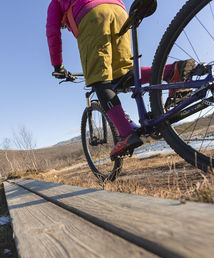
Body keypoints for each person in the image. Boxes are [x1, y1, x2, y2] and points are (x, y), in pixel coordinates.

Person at [46, 0, 195, 158]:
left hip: (92, 15)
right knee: (124, 74)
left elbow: (52, 31)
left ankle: (126, 133)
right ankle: (172, 72)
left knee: (99, 81)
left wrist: (58, 66)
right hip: (119, 11)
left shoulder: (55, 3)